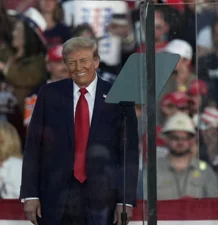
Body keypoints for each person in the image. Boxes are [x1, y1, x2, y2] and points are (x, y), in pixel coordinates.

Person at [20, 37, 139, 225]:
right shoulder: (49, 94)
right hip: (54, 197)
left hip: (103, 199)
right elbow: (33, 146)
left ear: (96, 61)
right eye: (71, 62)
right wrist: (30, 194)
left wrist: (125, 200)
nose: (78, 67)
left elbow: (129, 152)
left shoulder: (119, 95)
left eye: (84, 60)